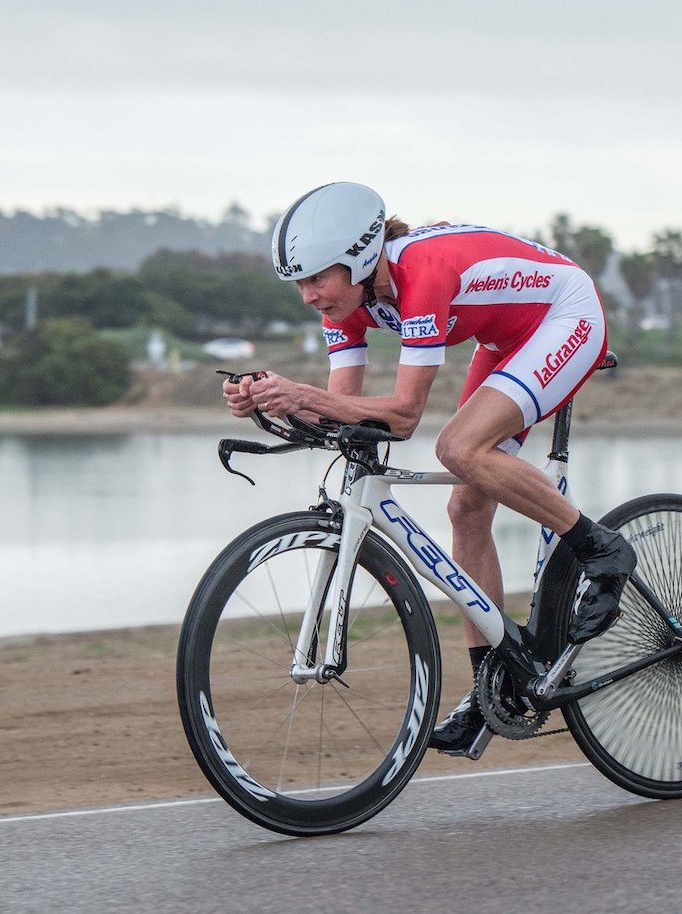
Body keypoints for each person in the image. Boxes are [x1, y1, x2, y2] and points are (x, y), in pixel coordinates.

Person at [222, 181, 635, 755]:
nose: (308, 296)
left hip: (566, 315)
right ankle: (495, 685)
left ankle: (601, 548)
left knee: (458, 448)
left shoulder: (422, 274)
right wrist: (271, 400)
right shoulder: (346, 304)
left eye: (317, 278)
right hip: (506, 338)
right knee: (465, 507)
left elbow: (403, 416)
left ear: (359, 259)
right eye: (299, 283)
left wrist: (303, 394)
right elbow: (345, 409)